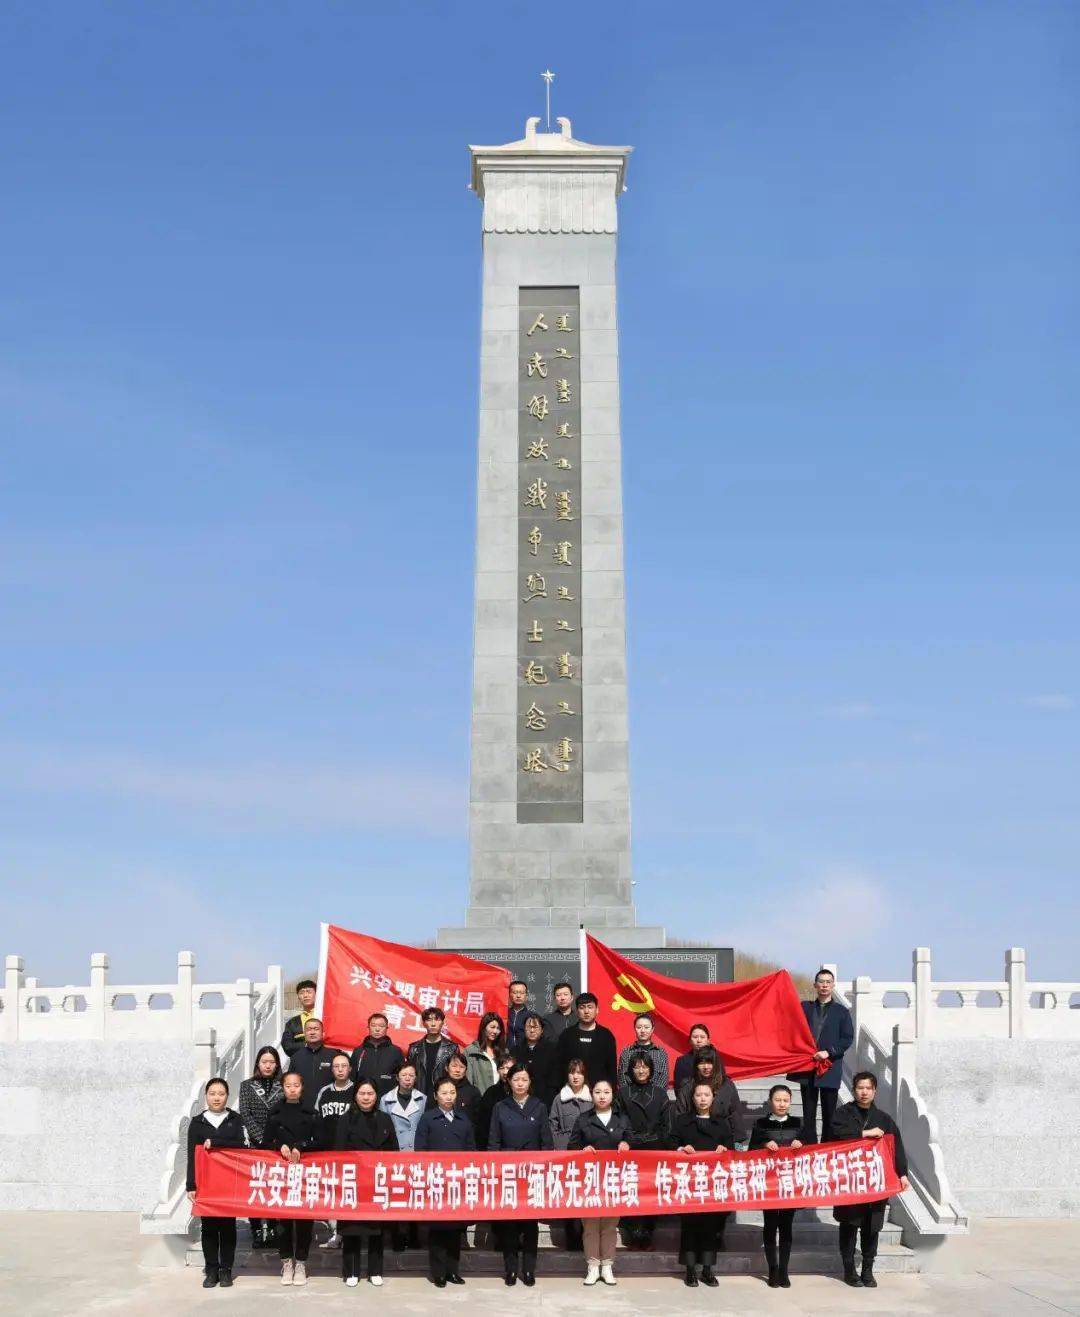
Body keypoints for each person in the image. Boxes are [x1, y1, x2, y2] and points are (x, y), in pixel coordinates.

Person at [828, 1070, 910, 1288]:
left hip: (875, 1183)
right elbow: (834, 1136)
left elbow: (896, 1148)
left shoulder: (884, 1119)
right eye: (859, 1088)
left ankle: (867, 1269)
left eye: (868, 1088)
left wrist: (902, 1174)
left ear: (874, 1091)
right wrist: (864, 1134)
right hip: (850, 1181)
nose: (863, 1092)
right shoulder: (842, 1114)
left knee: (871, 1227)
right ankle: (849, 1270)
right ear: (854, 1090)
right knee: (849, 1225)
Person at [488, 1064, 553, 1285]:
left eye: (524, 1079)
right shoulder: (500, 1107)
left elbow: (547, 1143)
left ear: (530, 1082)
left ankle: (529, 1270)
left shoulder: (539, 1107)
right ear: (509, 1081)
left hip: (532, 1174)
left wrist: (545, 1169)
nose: (520, 1084)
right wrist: (495, 1170)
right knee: (509, 1226)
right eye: (516, 1079)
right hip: (508, 1173)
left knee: (529, 1225)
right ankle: (511, 1270)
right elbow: (493, 1141)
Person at [671, 1080, 736, 1287]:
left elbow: (731, 1150)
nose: (702, 1099)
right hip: (689, 1182)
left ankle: (707, 1270)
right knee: (689, 1227)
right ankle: (690, 1270)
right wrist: (681, 1149)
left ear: (713, 1098)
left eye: (706, 1095)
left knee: (711, 1227)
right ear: (693, 1098)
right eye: (698, 1095)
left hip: (712, 1184)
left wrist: (724, 1151)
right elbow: (671, 1143)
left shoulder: (722, 1123)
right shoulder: (682, 1121)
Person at [335, 1080, 398, 1287]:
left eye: (370, 1093)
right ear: (355, 1095)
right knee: (352, 1228)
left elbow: (393, 1151)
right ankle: (351, 1271)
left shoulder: (386, 1119)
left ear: (376, 1096)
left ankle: (375, 1271)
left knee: (376, 1229)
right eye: (362, 1093)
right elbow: (338, 1150)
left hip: (377, 1181)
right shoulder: (345, 1120)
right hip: (353, 1180)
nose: (366, 1097)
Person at [568, 1079, 631, 1286]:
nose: (602, 1096)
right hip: (590, 1180)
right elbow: (572, 1146)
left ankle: (608, 1266)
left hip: (614, 1180)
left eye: (606, 1092)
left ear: (613, 1094)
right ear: (591, 1094)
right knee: (591, 1225)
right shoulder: (584, 1119)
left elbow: (633, 1141)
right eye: (597, 1092)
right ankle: (593, 1266)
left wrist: (626, 1144)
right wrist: (582, 1150)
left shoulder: (622, 1118)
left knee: (610, 1225)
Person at [186, 1077, 247, 1289]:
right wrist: (191, 1185)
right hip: (206, 1184)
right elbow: (191, 1156)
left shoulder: (235, 1119)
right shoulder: (197, 1122)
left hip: (229, 1183)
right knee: (209, 1228)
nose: (216, 1098)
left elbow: (242, 1145)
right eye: (212, 1093)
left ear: (227, 1096)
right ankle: (211, 1269)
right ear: (206, 1096)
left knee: (228, 1227)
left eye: (221, 1094)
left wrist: (218, 1143)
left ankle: (226, 1270)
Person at [415, 1077, 476, 1286]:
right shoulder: (427, 1119)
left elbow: (471, 1150)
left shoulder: (463, 1119)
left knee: (456, 1230)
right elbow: (420, 1150)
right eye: (444, 1092)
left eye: (452, 1092)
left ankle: (453, 1271)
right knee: (438, 1230)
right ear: (435, 1096)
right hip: (436, 1182)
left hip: (458, 1183)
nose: (448, 1096)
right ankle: (438, 1272)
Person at [787, 968, 854, 1144]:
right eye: (821, 982)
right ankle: (809, 1146)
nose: (824, 985)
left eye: (828, 982)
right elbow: (789, 1020)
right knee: (808, 1113)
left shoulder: (842, 1012)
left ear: (833, 985)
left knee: (829, 1114)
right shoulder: (805, 1007)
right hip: (807, 1067)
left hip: (829, 1068)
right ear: (815, 985)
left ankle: (827, 1148)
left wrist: (829, 1052)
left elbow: (847, 1039)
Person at [263, 1071, 316, 1285]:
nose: (292, 1089)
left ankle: (301, 1262)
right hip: (281, 1172)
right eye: (288, 1085)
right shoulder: (274, 1112)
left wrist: (301, 1146)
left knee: (304, 1219)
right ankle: (286, 1262)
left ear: (302, 1087)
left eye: (296, 1085)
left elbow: (320, 1139)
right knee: (282, 1220)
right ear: (282, 1088)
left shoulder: (311, 1112)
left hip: (305, 1172)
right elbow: (266, 1141)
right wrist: (279, 1146)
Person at [749, 1084, 804, 1288]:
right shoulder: (761, 1123)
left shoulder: (798, 1123)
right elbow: (751, 1149)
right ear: (770, 1101)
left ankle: (784, 1269)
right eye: (778, 1100)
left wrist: (801, 1144)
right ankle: (772, 1268)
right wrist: (764, 1145)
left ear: (790, 1102)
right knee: (770, 1225)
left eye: (786, 1100)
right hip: (769, 1182)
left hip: (790, 1182)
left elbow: (813, 1148)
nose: (782, 1104)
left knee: (787, 1227)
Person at [618, 1053, 671, 1248]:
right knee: (632, 1190)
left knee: (650, 1192)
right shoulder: (623, 1093)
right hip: (630, 1149)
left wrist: (655, 1141)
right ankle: (632, 1233)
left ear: (651, 1069)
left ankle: (648, 1233)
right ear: (631, 1070)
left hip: (654, 1150)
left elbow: (667, 1126)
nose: (641, 1070)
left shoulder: (660, 1094)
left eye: (645, 1066)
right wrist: (630, 1139)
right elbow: (619, 1121)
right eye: (637, 1067)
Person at [237, 1045, 283, 1249]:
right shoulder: (247, 1086)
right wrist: (261, 1138)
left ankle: (273, 1228)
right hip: (256, 1145)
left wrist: (274, 1140)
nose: (268, 1065)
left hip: (277, 1145)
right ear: (258, 1063)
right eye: (264, 1062)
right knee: (256, 1187)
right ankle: (257, 1229)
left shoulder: (284, 1085)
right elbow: (245, 1114)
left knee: (275, 1186)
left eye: (272, 1062)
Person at [548, 1057, 591, 1252]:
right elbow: (553, 1125)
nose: (576, 1076)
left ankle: (585, 1237)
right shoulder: (560, 1098)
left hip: (587, 1155)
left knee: (585, 1196)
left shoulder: (591, 1098)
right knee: (568, 1197)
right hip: (565, 1154)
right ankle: (570, 1238)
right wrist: (559, 1148)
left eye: (579, 1073)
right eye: (572, 1072)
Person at [674, 1046, 745, 1146]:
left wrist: (737, 1141)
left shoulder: (726, 1084)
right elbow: (680, 1114)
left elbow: (735, 1112)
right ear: (696, 1065)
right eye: (702, 1063)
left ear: (715, 1064)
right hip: (692, 1140)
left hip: (722, 1139)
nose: (706, 1067)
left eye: (710, 1063)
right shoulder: (687, 1086)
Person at [556, 992, 618, 1090]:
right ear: (576, 1011)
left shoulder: (606, 1036)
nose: (586, 1011)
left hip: (598, 1094)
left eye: (590, 1007)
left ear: (597, 1010)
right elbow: (559, 1067)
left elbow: (612, 1069)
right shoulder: (567, 1035)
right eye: (582, 1007)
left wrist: (611, 1092)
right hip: (572, 1092)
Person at [287, 1017, 338, 1112]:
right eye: (309, 1029)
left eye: (316, 1029)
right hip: (302, 1111)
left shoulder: (333, 1056)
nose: (312, 1032)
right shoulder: (296, 1057)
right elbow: (290, 1084)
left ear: (323, 1033)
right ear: (304, 1034)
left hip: (328, 1110)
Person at [349, 1011, 405, 1098]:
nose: (377, 1029)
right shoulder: (358, 1051)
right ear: (368, 1027)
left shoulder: (396, 1051)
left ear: (387, 1028)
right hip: (364, 1098)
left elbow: (402, 1078)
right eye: (373, 1025)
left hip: (388, 1100)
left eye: (381, 1026)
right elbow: (352, 1078)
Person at [406, 1007, 457, 1100]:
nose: (433, 1024)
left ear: (442, 1022)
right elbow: (408, 1074)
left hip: (443, 1098)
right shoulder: (414, 1048)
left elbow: (456, 1076)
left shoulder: (452, 1048)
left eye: (437, 1020)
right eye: (429, 1020)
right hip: (418, 1097)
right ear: (424, 1023)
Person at [510, 1011, 559, 1106]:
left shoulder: (552, 1050)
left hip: (545, 1101)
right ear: (524, 1029)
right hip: (520, 1101)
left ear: (542, 1030)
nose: (532, 1031)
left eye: (535, 1027)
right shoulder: (516, 1051)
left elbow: (554, 1079)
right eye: (529, 1027)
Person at [616, 1013, 670, 1092]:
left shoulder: (660, 1053)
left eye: (646, 1027)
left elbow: (663, 1078)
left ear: (652, 1029)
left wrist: (654, 1096)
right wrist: (628, 1096)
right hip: (631, 1098)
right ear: (635, 1029)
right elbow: (622, 1078)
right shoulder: (627, 1052)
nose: (643, 1030)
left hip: (655, 1099)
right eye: (639, 1027)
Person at [475, 1053, 515, 1150]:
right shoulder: (490, 1093)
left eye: (509, 1068)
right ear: (497, 1070)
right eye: (502, 1068)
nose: (505, 1072)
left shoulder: (521, 1092)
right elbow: (483, 1124)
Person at [464, 1012, 506, 1094]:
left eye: (498, 1028)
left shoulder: (504, 1051)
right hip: (480, 1101)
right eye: (492, 1027)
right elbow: (468, 1081)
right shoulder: (470, 1051)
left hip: (501, 1101)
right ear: (484, 1028)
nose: (495, 1031)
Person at [281, 978, 317, 1058]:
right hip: (299, 1063)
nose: (305, 995)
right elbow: (287, 1046)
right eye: (301, 993)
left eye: (308, 992)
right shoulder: (292, 1023)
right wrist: (308, 1045)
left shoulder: (326, 1017)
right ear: (298, 997)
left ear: (317, 994)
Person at [672, 1023, 711, 1091]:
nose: (699, 1040)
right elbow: (678, 1088)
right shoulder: (682, 1061)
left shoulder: (716, 1059)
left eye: (702, 1037)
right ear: (690, 1040)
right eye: (695, 1037)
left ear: (708, 1040)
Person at [446, 1051, 480, 1124]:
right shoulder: (438, 1088)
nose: (458, 1070)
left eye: (462, 1067)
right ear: (446, 1068)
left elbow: (478, 1119)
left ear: (466, 1070)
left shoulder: (473, 1091)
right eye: (454, 1066)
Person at [506, 979, 531, 1050]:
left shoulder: (531, 1016)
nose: (518, 996)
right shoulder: (504, 1014)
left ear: (526, 995)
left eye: (522, 993)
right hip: (505, 1054)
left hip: (524, 1054)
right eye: (515, 992)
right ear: (509, 994)